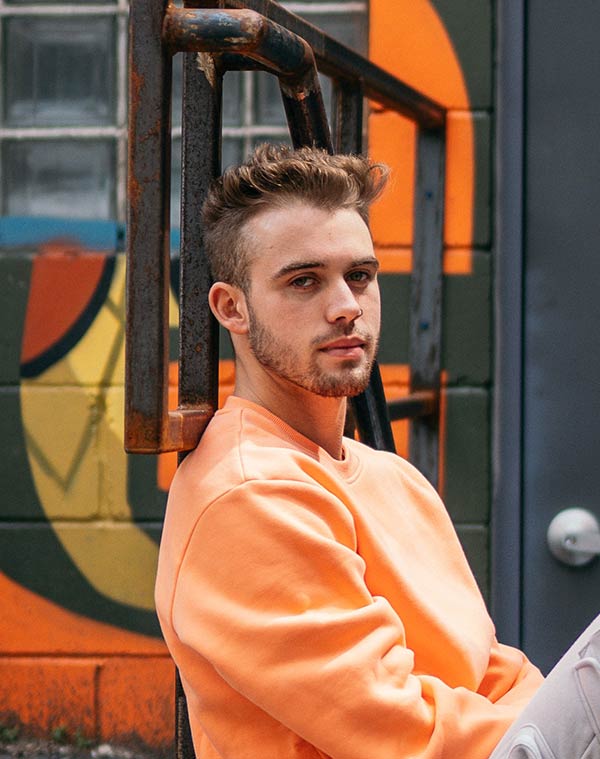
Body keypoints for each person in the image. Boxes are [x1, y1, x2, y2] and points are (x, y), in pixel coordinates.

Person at [155, 144, 600, 759]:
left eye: (359, 276)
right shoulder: (246, 495)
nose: (346, 307)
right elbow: (401, 735)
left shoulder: (393, 477)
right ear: (232, 308)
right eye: (304, 281)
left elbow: (495, 669)